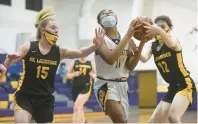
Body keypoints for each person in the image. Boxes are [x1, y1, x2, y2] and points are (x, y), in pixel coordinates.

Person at [3, 8, 104, 123]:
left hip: (45, 99)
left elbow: (81, 53)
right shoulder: (29, 47)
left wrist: (95, 46)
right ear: (42, 31)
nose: (56, 31)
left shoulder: (59, 51)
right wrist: (7, 63)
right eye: (53, 28)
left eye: (57, 29)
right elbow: (10, 61)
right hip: (25, 96)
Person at [93, 9, 147, 123]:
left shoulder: (125, 38)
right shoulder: (99, 39)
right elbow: (110, 59)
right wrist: (127, 36)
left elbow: (130, 66)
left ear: (117, 18)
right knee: (121, 120)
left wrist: (142, 43)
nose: (107, 13)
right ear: (101, 22)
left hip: (123, 84)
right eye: (104, 14)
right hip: (105, 84)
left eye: (110, 12)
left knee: (123, 121)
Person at [141, 15, 197, 123]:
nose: (159, 29)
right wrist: (135, 48)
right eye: (157, 27)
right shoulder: (152, 46)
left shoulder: (174, 41)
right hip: (172, 87)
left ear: (170, 28)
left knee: (173, 117)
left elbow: (171, 44)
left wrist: (157, 29)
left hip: (185, 84)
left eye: (163, 27)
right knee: (153, 122)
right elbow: (143, 59)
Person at [67, 55, 96, 123]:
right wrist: (74, 74)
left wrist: (92, 75)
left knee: (76, 107)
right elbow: (68, 75)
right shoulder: (74, 62)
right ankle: (83, 121)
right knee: (79, 108)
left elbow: (96, 76)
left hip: (86, 87)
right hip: (75, 88)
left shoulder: (91, 63)